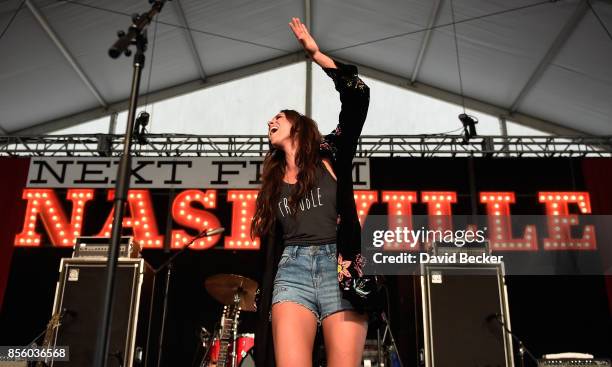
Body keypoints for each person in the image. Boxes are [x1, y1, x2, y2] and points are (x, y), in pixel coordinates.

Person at [252, 17, 376, 367]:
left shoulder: (330, 153)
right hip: (292, 269)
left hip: (339, 267)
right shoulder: (274, 180)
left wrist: (318, 55)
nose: (269, 122)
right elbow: (271, 242)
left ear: (297, 123)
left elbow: (358, 96)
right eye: (269, 120)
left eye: (277, 116)